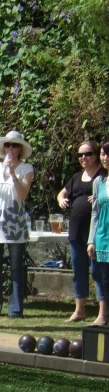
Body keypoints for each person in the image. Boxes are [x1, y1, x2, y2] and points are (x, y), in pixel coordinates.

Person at [0, 131, 35, 318]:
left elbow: (22, 195)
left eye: (14, 145)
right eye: (7, 145)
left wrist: (12, 173)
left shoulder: (26, 168)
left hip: (15, 224)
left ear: (20, 148)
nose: (10, 149)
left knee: (15, 266)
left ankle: (15, 309)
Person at [58, 140, 107, 323]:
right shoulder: (77, 177)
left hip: (95, 232)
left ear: (96, 156)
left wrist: (98, 197)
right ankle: (80, 310)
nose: (83, 158)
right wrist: (62, 200)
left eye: (87, 154)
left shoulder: (102, 177)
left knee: (97, 271)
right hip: (76, 231)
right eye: (80, 155)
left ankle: (103, 312)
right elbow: (61, 193)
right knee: (78, 271)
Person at [88, 139, 109, 325]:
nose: (105, 157)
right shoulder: (99, 182)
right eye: (103, 153)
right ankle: (102, 315)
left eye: (108, 153)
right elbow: (95, 212)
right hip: (103, 236)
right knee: (103, 278)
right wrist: (91, 240)